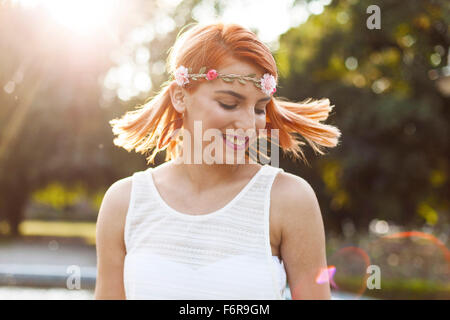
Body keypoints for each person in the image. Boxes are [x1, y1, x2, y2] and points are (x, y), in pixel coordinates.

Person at [94, 22, 341, 300]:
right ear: (179, 97)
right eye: (229, 104)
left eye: (260, 108)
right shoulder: (123, 203)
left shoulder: (289, 200)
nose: (249, 124)